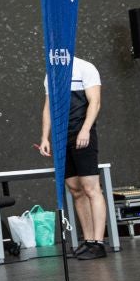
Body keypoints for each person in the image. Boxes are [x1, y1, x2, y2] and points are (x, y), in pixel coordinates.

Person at [39, 56, 106, 259]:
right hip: (62, 138)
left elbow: (95, 102)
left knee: (91, 188)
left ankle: (99, 243)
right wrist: (45, 137)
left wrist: (85, 130)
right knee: (76, 190)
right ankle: (88, 241)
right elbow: (49, 106)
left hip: (82, 134)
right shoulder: (51, 73)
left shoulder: (85, 68)